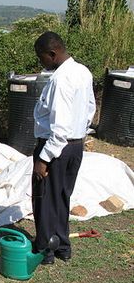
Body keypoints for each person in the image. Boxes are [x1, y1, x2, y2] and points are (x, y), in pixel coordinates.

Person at [32, 31, 96, 265]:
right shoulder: (83, 71)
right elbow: (90, 109)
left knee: (45, 198)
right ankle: (63, 247)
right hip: (75, 146)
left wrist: (44, 158)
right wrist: (78, 135)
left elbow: (59, 127)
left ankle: (46, 250)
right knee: (62, 196)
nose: (42, 63)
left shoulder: (60, 80)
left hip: (55, 147)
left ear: (52, 53)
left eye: (42, 58)